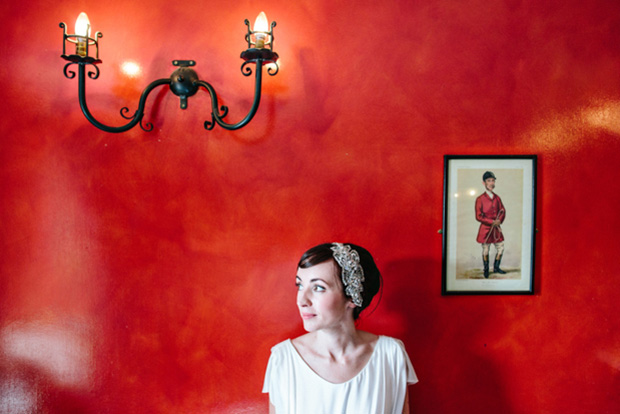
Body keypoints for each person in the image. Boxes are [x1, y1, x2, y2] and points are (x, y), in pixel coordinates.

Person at [263, 243, 418, 414]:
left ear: (352, 297)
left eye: (318, 288)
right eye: (300, 285)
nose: (302, 300)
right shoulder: (283, 360)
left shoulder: (391, 355)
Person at [475, 171, 507, 278]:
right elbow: (478, 216)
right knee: (485, 249)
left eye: (493, 181)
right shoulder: (480, 199)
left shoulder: (497, 198)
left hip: (496, 229)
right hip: (485, 229)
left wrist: (499, 221)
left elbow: (502, 210)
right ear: (484, 183)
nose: (492, 183)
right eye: (489, 181)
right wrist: (491, 222)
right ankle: (486, 269)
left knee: (501, 247)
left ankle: (496, 267)